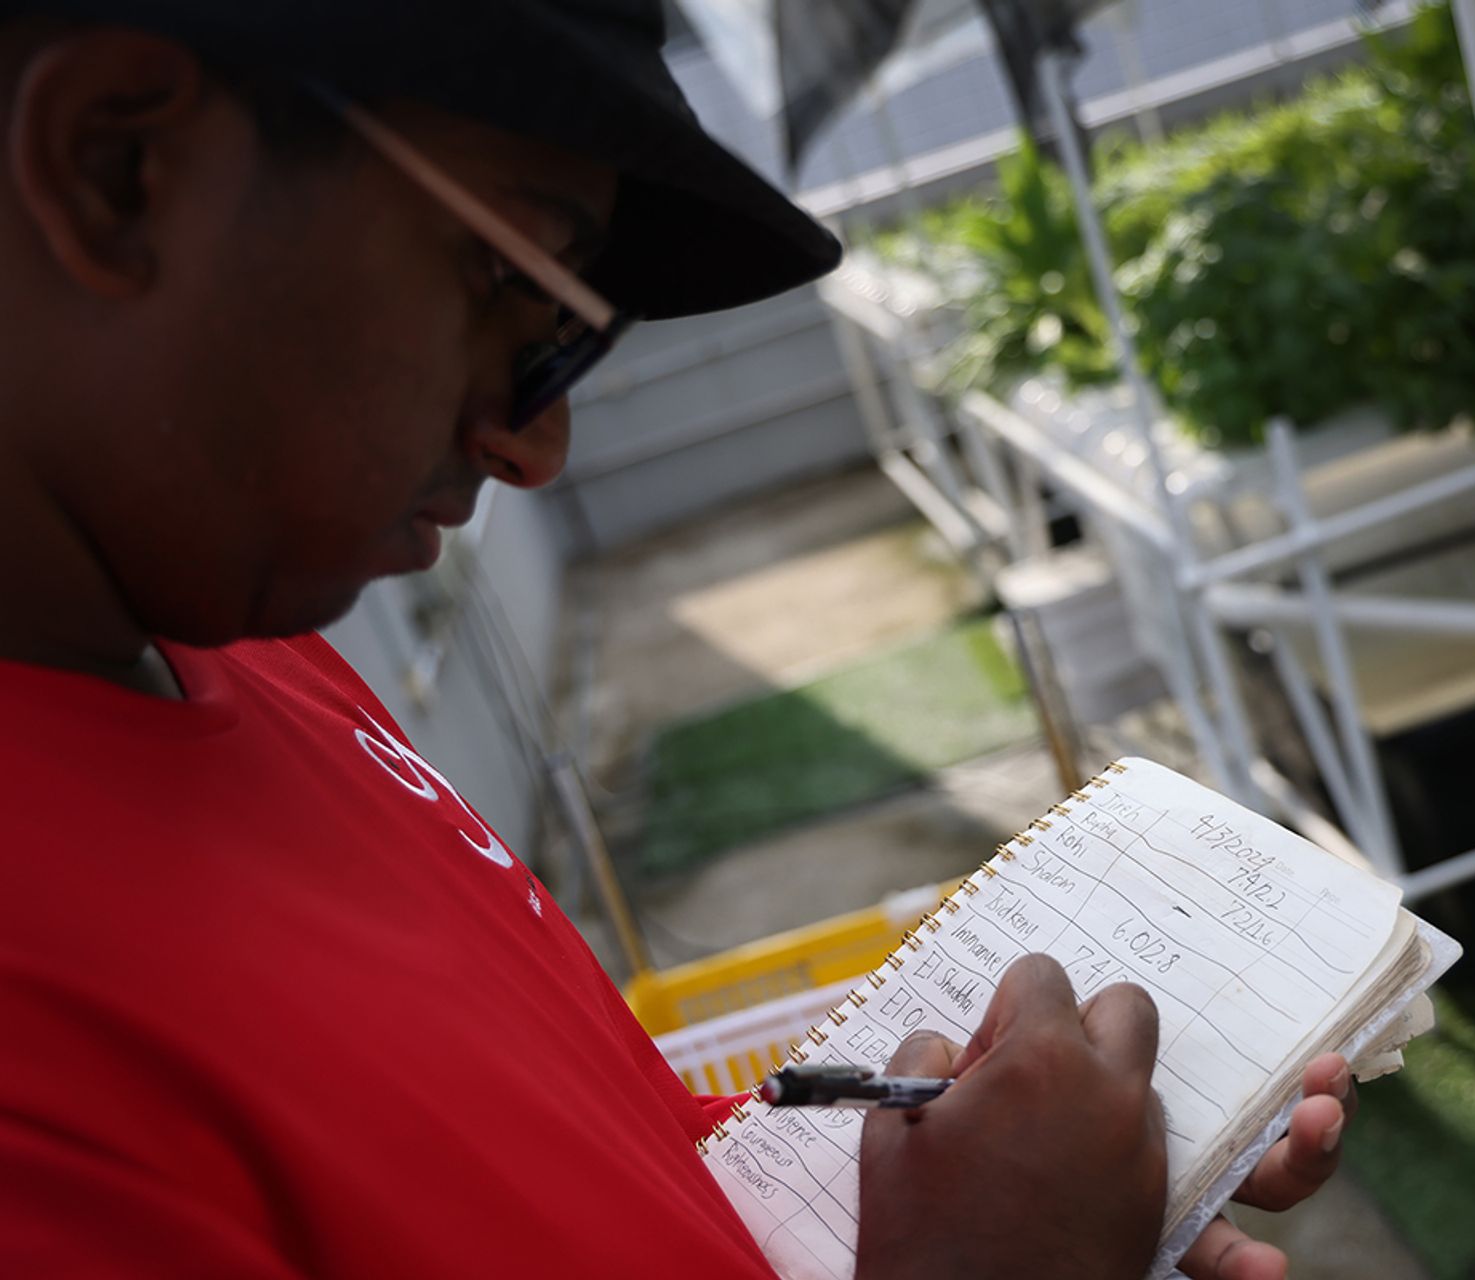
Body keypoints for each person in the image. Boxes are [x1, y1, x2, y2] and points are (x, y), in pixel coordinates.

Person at [0, 3, 1356, 1276]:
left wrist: (1017, 1190)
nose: (536, 443)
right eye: (518, 304)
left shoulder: (231, 636)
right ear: (118, 166)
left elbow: (580, 1162)